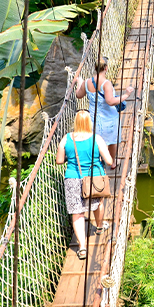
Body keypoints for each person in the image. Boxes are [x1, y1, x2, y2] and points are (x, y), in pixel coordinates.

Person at [56, 110, 115, 259]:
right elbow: (109, 161)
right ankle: (100, 226)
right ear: (90, 122)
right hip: (94, 179)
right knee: (98, 202)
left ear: (75, 122)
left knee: (77, 212)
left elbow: (59, 160)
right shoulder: (97, 138)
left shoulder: (66, 139)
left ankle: (82, 248)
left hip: (73, 179)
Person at [73, 57, 134, 163]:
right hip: (109, 119)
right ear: (106, 68)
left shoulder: (87, 82)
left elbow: (78, 95)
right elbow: (110, 101)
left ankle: (98, 161)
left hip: (93, 119)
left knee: (97, 141)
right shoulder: (106, 84)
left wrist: (79, 82)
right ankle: (112, 162)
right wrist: (126, 95)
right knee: (112, 142)